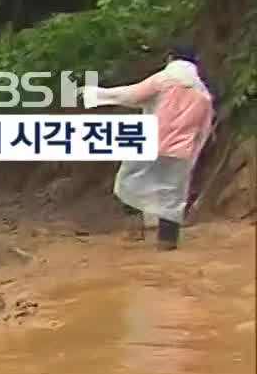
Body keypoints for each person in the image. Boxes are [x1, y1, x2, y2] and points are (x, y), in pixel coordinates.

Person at [83, 46, 216, 250]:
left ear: (171, 58)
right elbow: (204, 129)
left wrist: (97, 94)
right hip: (181, 152)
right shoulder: (203, 94)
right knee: (173, 196)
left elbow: (132, 95)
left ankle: (134, 227)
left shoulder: (164, 79)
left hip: (152, 143)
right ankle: (167, 241)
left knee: (129, 181)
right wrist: (194, 153)